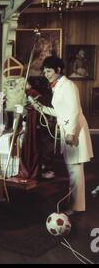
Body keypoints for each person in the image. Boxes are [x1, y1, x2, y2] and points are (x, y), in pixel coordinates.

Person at [30, 56, 93, 215]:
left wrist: (71, 133)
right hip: (68, 131)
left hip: (74, 132)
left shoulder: (68, 85)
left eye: (49, 71)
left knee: (75, 171)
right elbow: (59, 112)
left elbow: (74, 110)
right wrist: (39, 107)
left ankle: (77, 207)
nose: (46, 74)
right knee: (73, 171)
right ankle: (75, 205)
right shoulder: (57, 86)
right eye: (45, 71)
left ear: (58, 70)